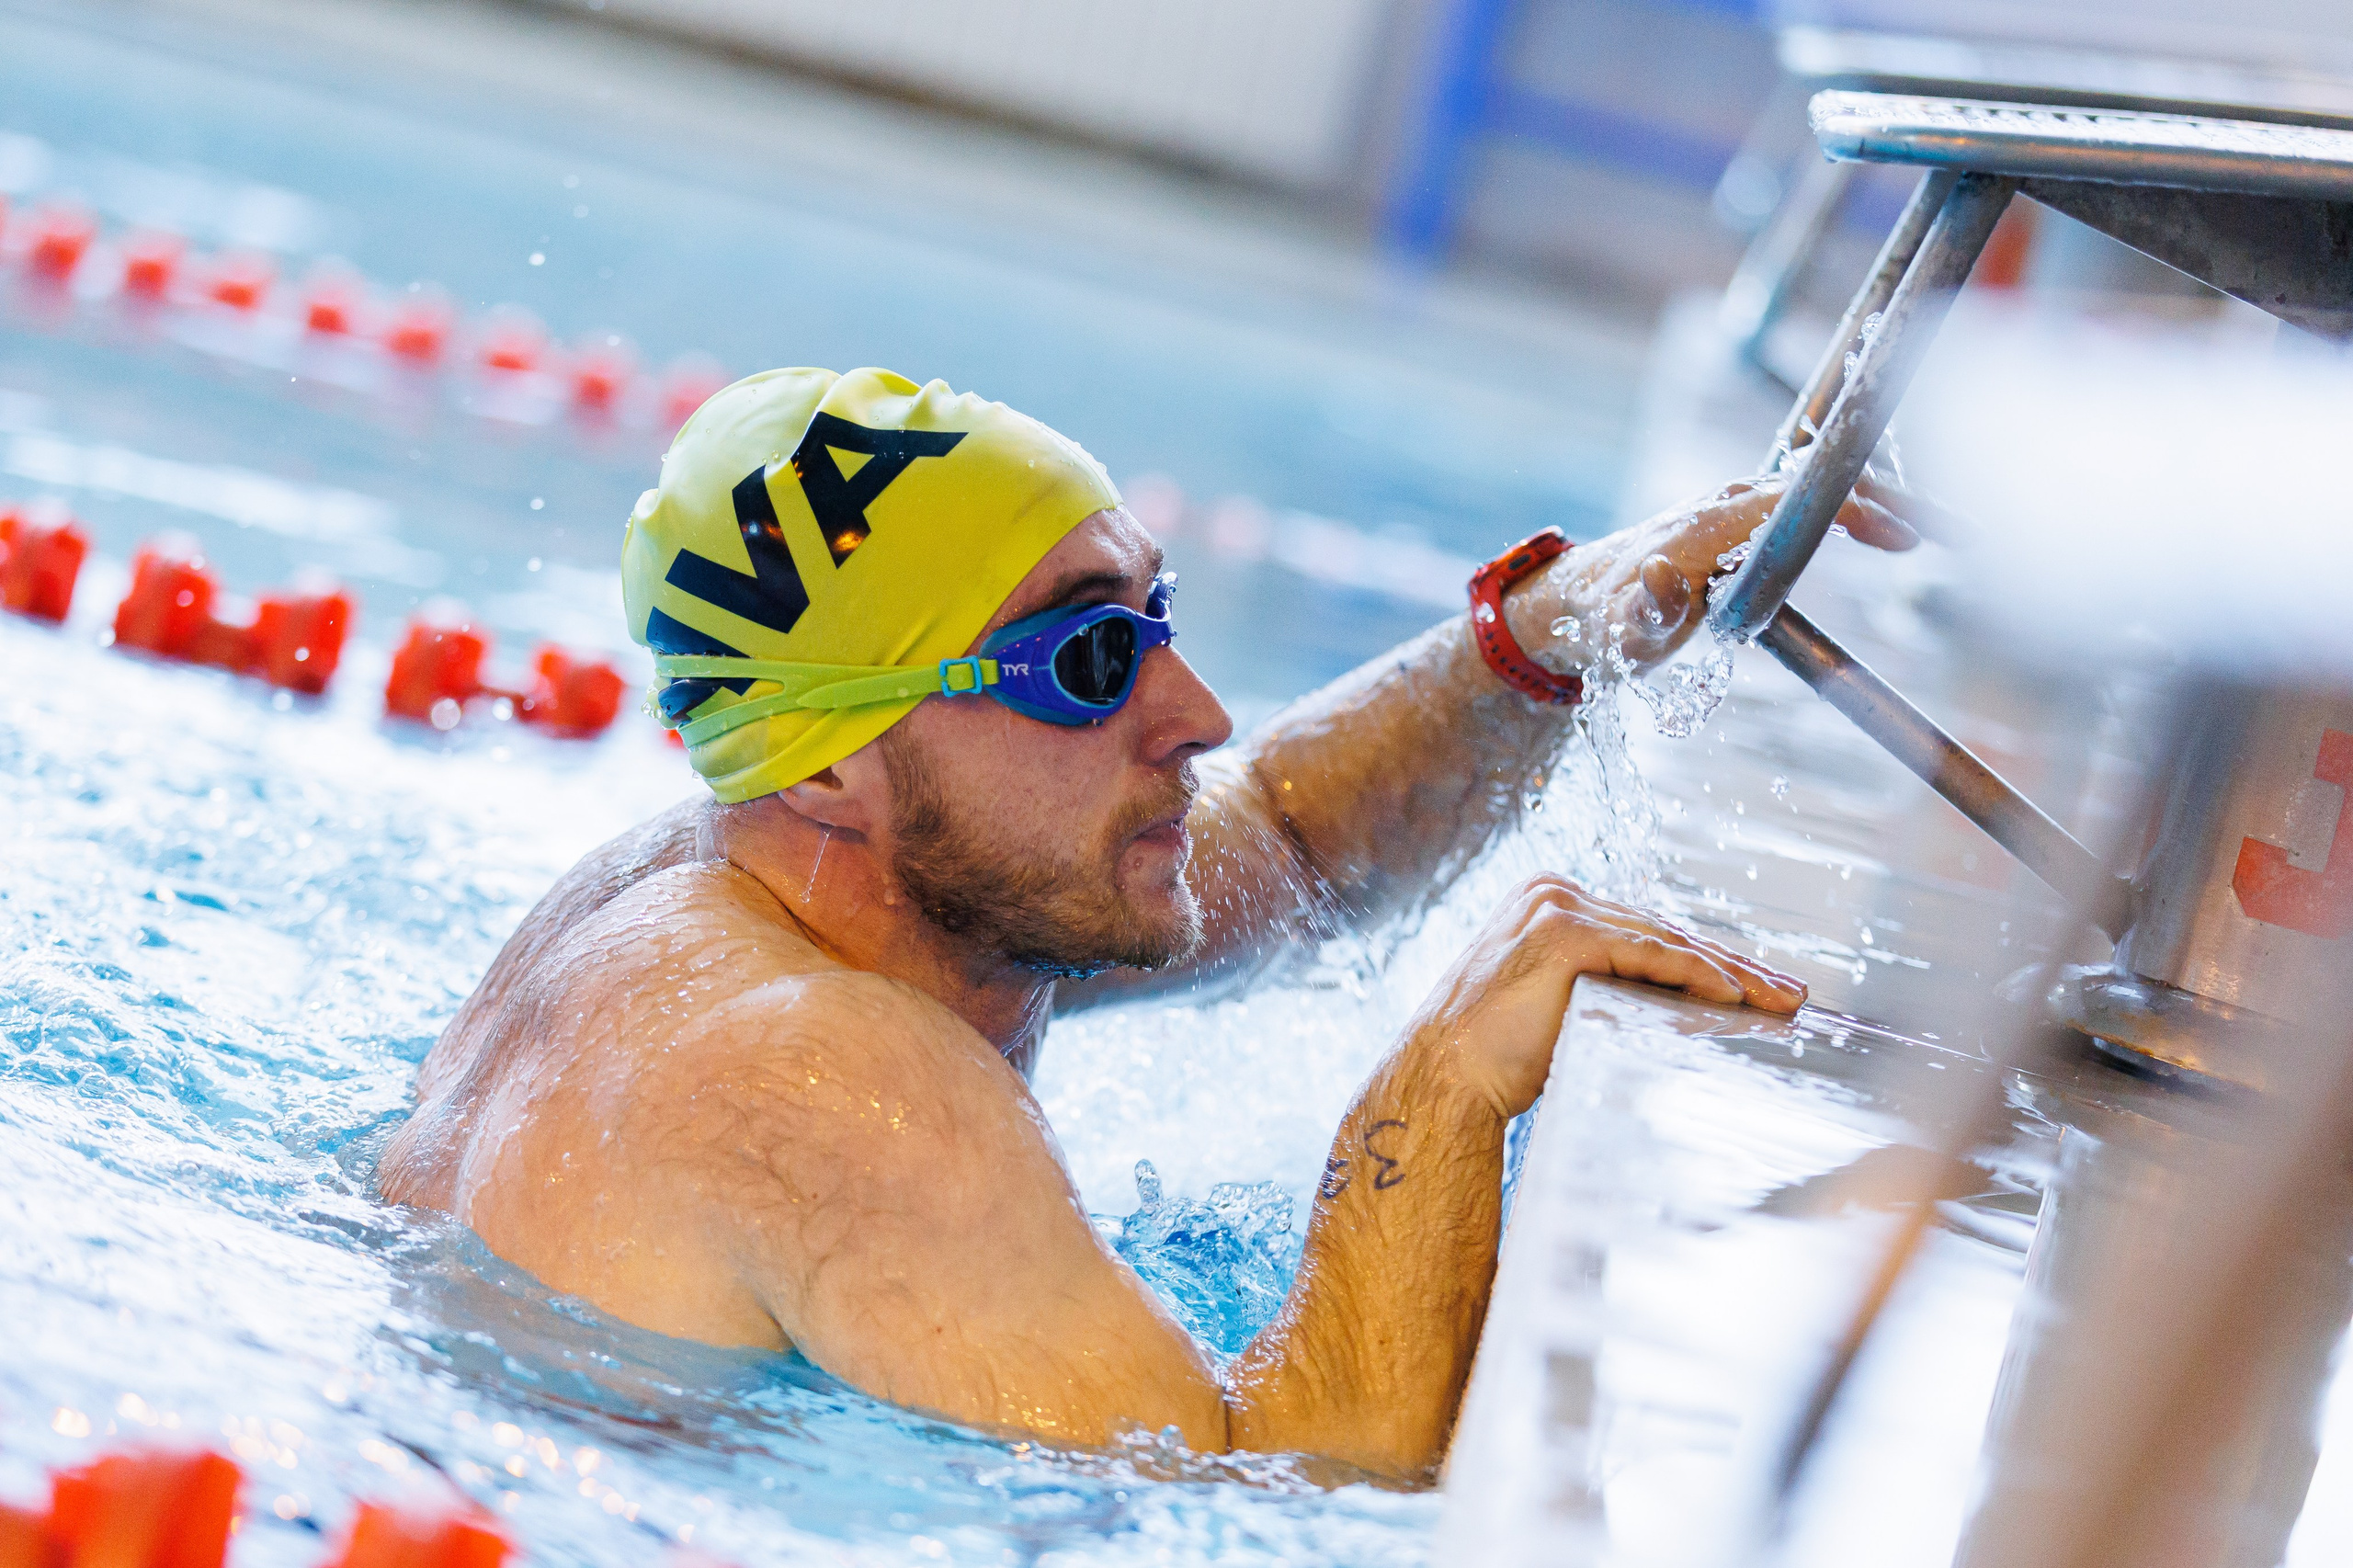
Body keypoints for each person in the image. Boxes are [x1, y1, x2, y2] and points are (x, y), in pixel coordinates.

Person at [380, 367, 1917, 1480]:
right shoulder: (833, 1077)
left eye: (1157, 619)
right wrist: (1438, 1086)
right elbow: (1279, 1482)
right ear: (837, 763)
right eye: (1091, 658)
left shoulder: (775, 870)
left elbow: (1301, 837)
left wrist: (1543, 630)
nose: (1195, 711)